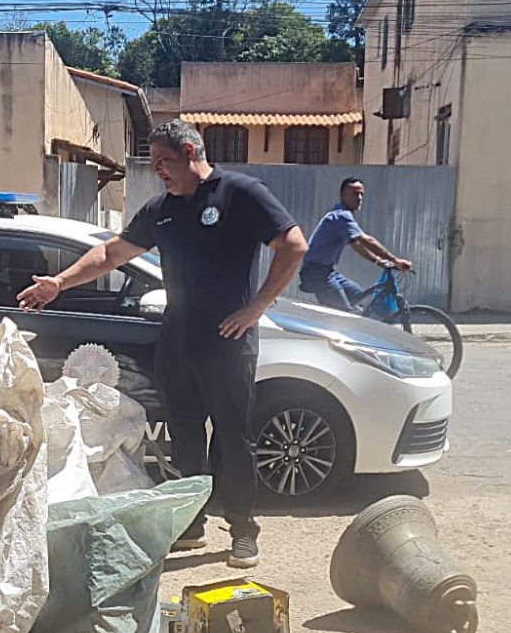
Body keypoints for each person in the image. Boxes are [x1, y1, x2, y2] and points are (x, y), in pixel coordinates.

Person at [18, 120, 307, 569]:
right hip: (177, 340)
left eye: (164, 163)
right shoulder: (161, 209)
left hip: (229, 342)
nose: (159, 173)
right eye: (154, 165)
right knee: (186, 438)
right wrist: (60, 281)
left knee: (233, 439)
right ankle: (191, 523)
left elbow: (293, 244)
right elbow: (112, 253)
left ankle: (243, 531)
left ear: (191, 152)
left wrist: (256, 309)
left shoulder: (241, 194)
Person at [300, 178, 411, 311]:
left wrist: (379, 261)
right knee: (346, 313)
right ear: (342, 196)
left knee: (357, 294)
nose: (358, 198)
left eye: (361, 194)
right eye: (354, 194)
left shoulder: (341, 216)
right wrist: (394, 259)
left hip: (328, 271)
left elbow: (356, 244)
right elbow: (365, 240)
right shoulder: (341, 216)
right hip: (317, 273)